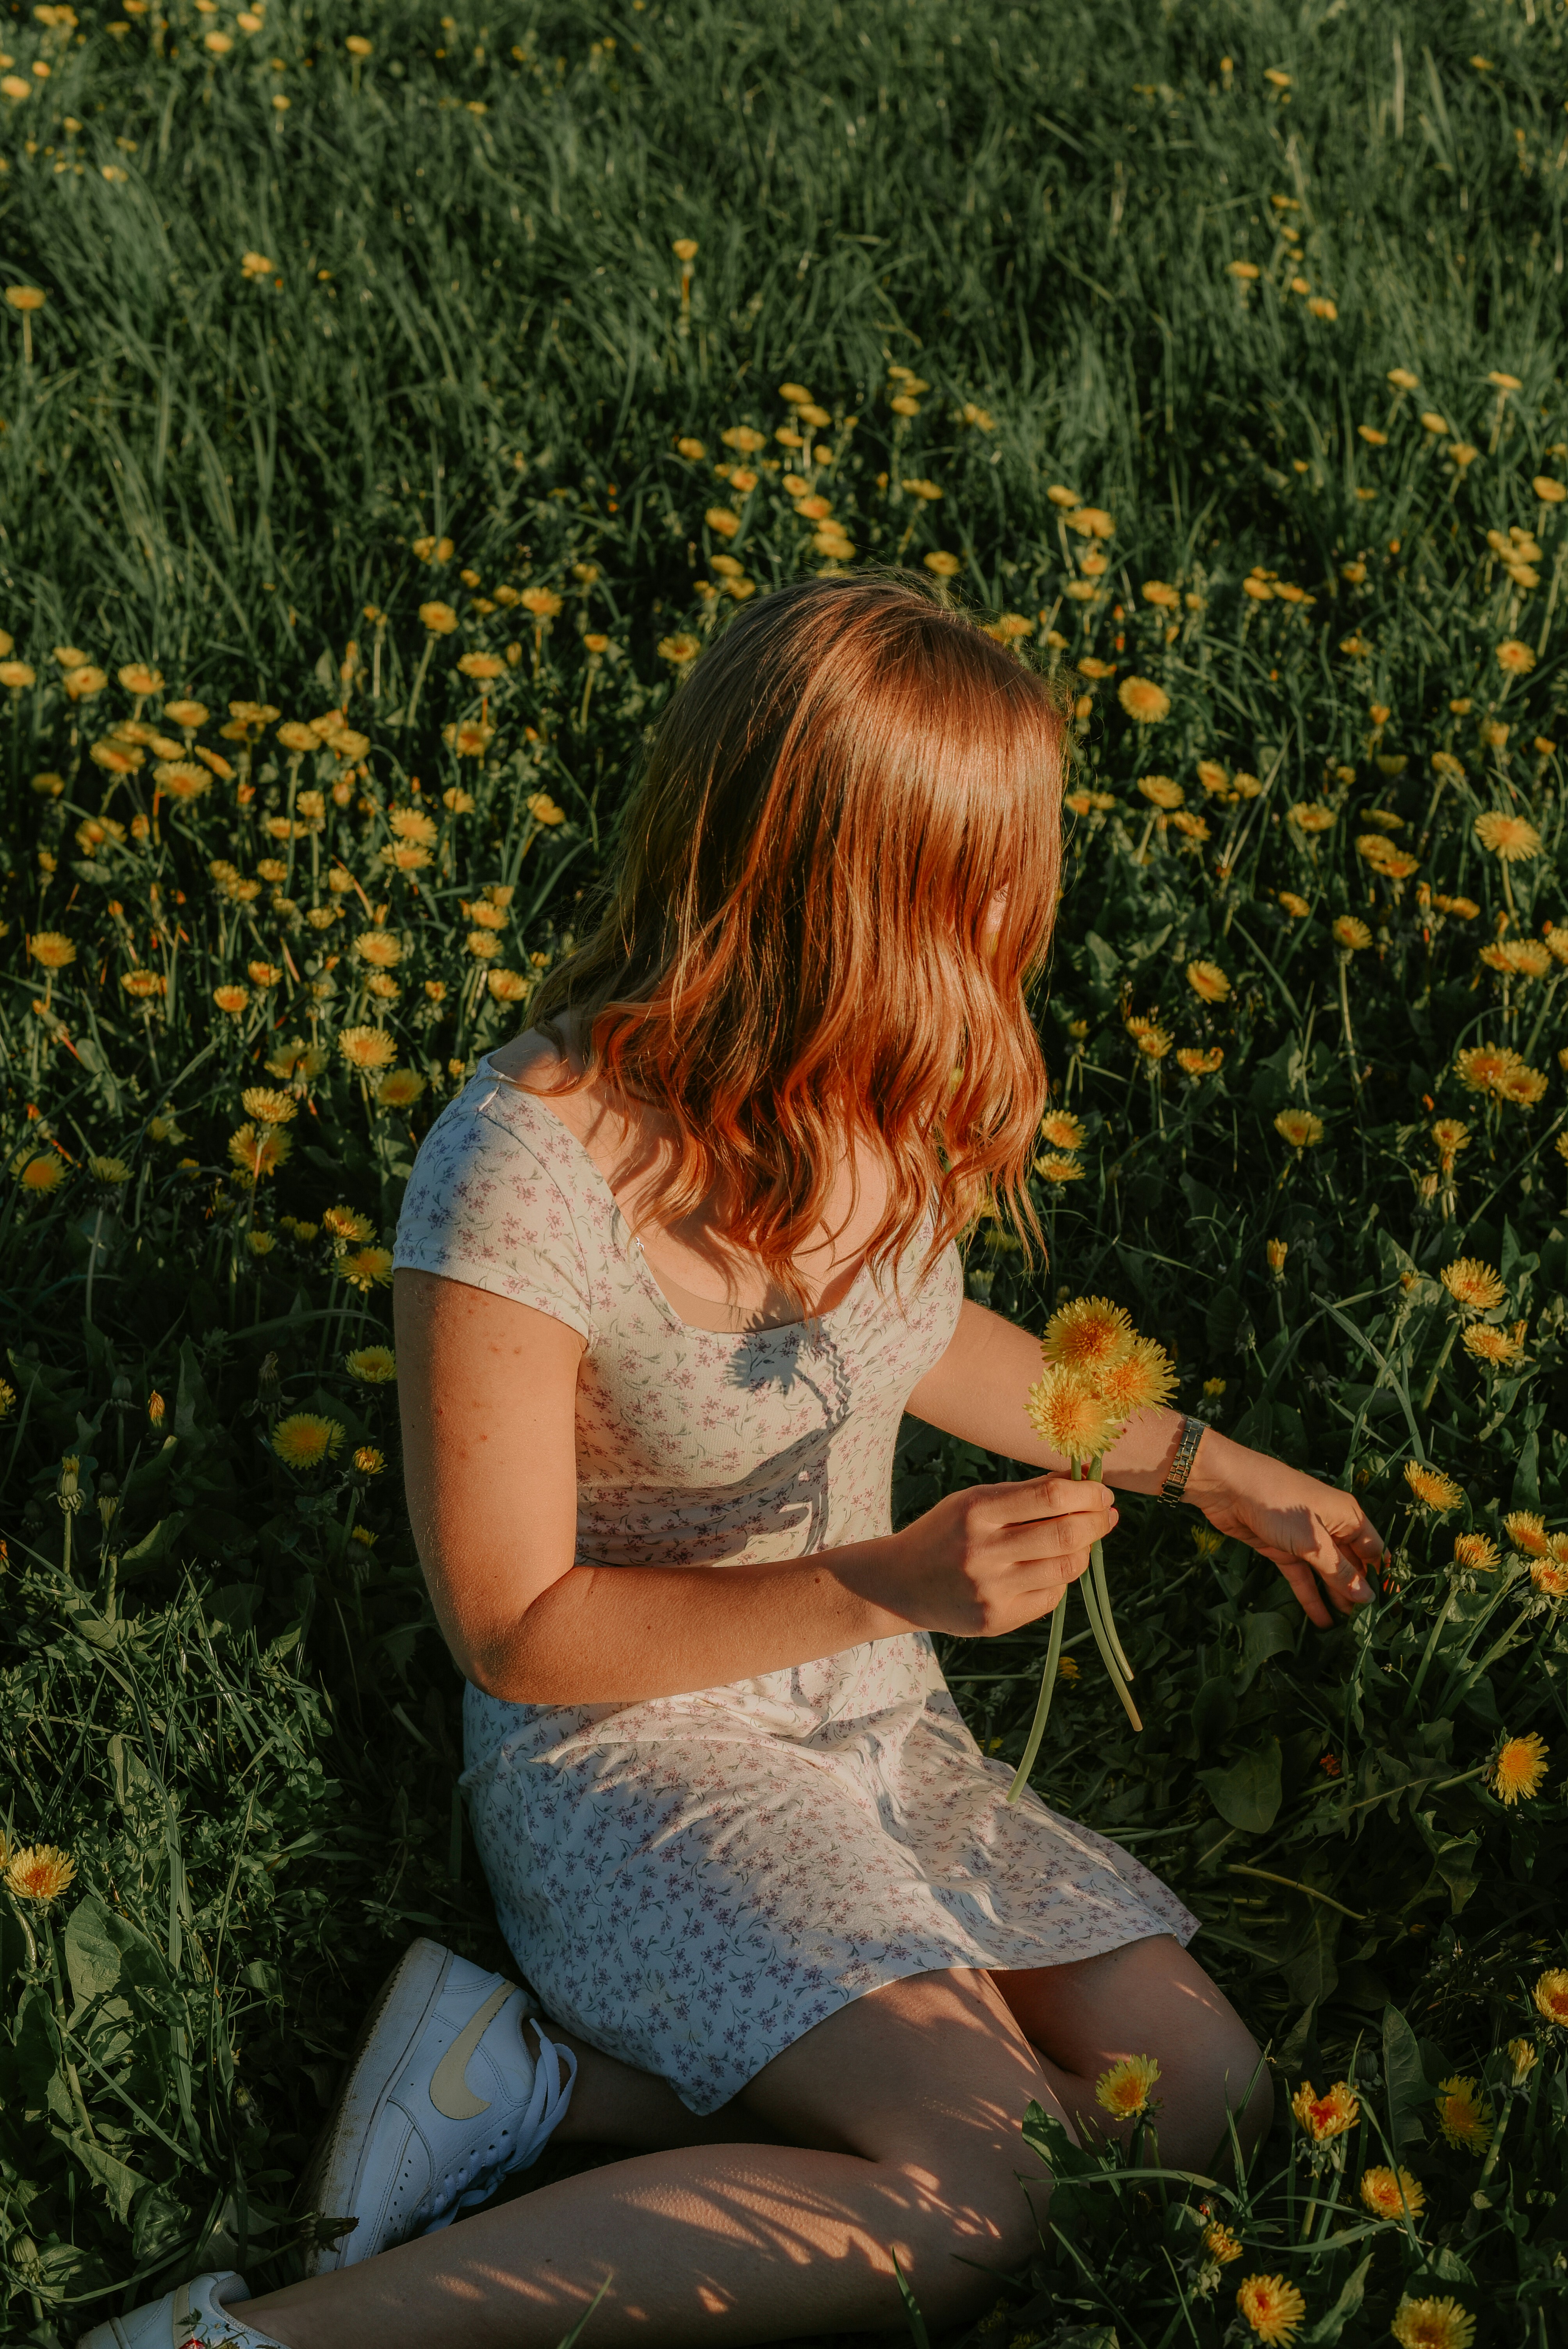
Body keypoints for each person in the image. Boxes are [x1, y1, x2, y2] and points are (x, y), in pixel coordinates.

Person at [87, 574, 1381, 2349]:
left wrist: (1205, 1465)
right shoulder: (522, 1170)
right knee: (989, 2187)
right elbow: (514, 1628)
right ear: (858, 880)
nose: (1034, 898)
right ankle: (258, 2339)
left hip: (866, 1720)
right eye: (996, 861)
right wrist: (888, 1578)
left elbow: (915, 1335)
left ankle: (546, 2092)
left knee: (1202, 2099)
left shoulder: (871, 1083)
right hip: (633, 1750)